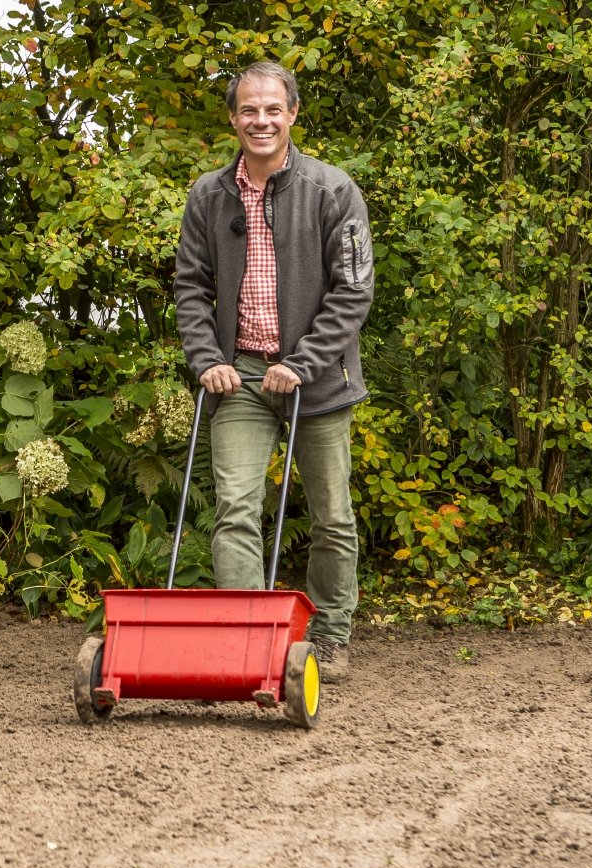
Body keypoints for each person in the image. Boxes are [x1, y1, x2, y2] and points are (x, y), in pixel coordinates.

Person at [173, 61, 372, 682]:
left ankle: (331, 636)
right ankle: (245, 640)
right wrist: (208, 361)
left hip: (316, 378)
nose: (261, 120)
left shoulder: (332, 190)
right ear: (233, 119)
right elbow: (190, 288)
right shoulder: (209, 195)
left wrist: (305, 362)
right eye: (248, 110)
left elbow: (354, 292)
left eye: (272, 109)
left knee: (330, 514)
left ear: (292, 114)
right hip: (241, 378)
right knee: (234, 508)